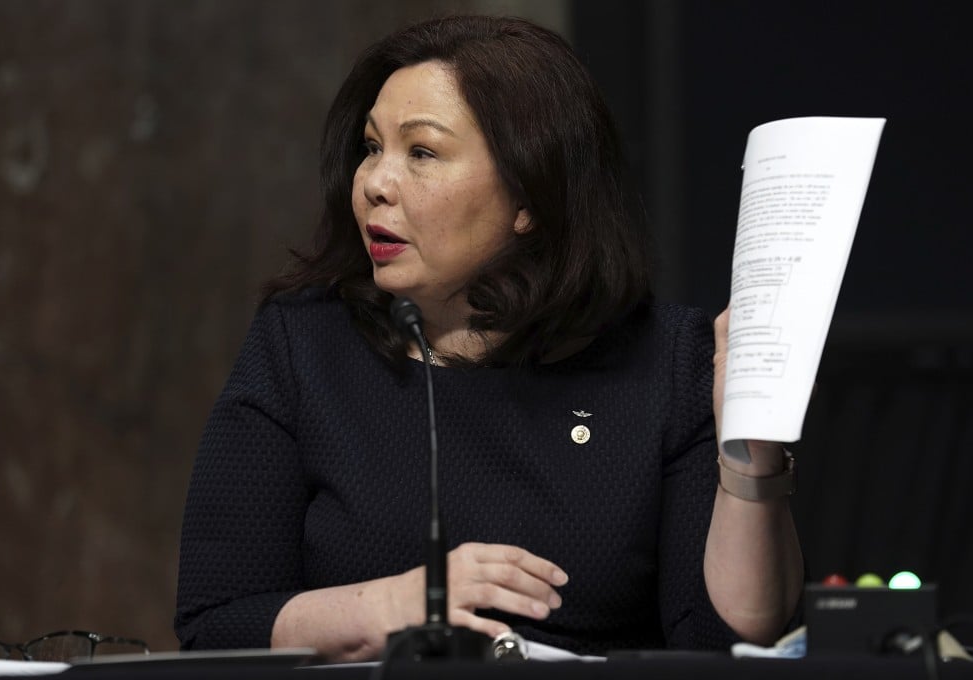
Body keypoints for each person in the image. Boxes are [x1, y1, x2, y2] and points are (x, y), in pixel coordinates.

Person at [174, 14, 803, 661]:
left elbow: (731, 644)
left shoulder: (668, 362)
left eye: (420, 153)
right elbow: (217, 623)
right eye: (371, 147)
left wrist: (749, 452)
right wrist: (396, 605)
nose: (374, 184)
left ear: (530, 194)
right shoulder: (304, 343)